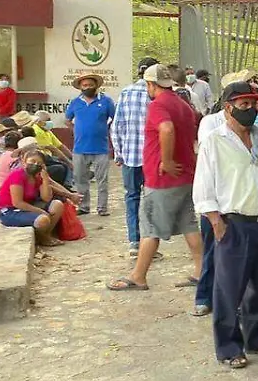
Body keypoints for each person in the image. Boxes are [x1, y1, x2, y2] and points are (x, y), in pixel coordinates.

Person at [193, 81, 258, 368]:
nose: (250, 110)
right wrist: (216, 222)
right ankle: (229, 348)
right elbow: (204, 186)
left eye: (254, 105)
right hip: (234, 223)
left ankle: (256, 338)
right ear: (228, 107)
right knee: (229, 288)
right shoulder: (215, 141)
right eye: (243, 104)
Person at [109, 64, 203, 292]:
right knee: (189, 224)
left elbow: (167, 129)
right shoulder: (183, 105)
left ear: (151, 84)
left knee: (151, 227)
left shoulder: (158, 105)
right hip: (185, 174)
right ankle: (202, 271)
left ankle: (138, 276)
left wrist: (166, 160)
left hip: (163, 179)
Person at [111, 57, 157, 257]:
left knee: (132, 197)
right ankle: (150, 244)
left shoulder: (126, 92)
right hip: (152, 157)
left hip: (130, 156)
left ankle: (134, 242)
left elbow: (117, 125)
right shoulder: (157, 95)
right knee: (152, 200)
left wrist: (119, 153)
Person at [64, 72, 115, 217]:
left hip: (101, 148)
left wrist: (107, 129)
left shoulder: (106, 101)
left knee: (102, 180)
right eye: (85, 85)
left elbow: (114, 118)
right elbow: (67, 120)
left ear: (96, 86)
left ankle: (102, 208)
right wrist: (76, 131)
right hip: (80, 148)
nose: (88, 87)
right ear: (80, 87)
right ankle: (84, 207)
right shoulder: (75, 103)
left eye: (90, 85)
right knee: (80, 179)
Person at [0, 149, 66, 247]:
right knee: (43, 220)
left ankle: (45, 235)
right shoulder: (17, 175)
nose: (35, 164)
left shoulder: (36, 176)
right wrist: (40, 211)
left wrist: (45, 179)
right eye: (32, 161)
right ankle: (44, 238)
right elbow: (17, 203)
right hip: (9, 210)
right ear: (24, 162)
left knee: (57, 205)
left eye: (39, 163)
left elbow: (46, 198)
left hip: (26, 206)